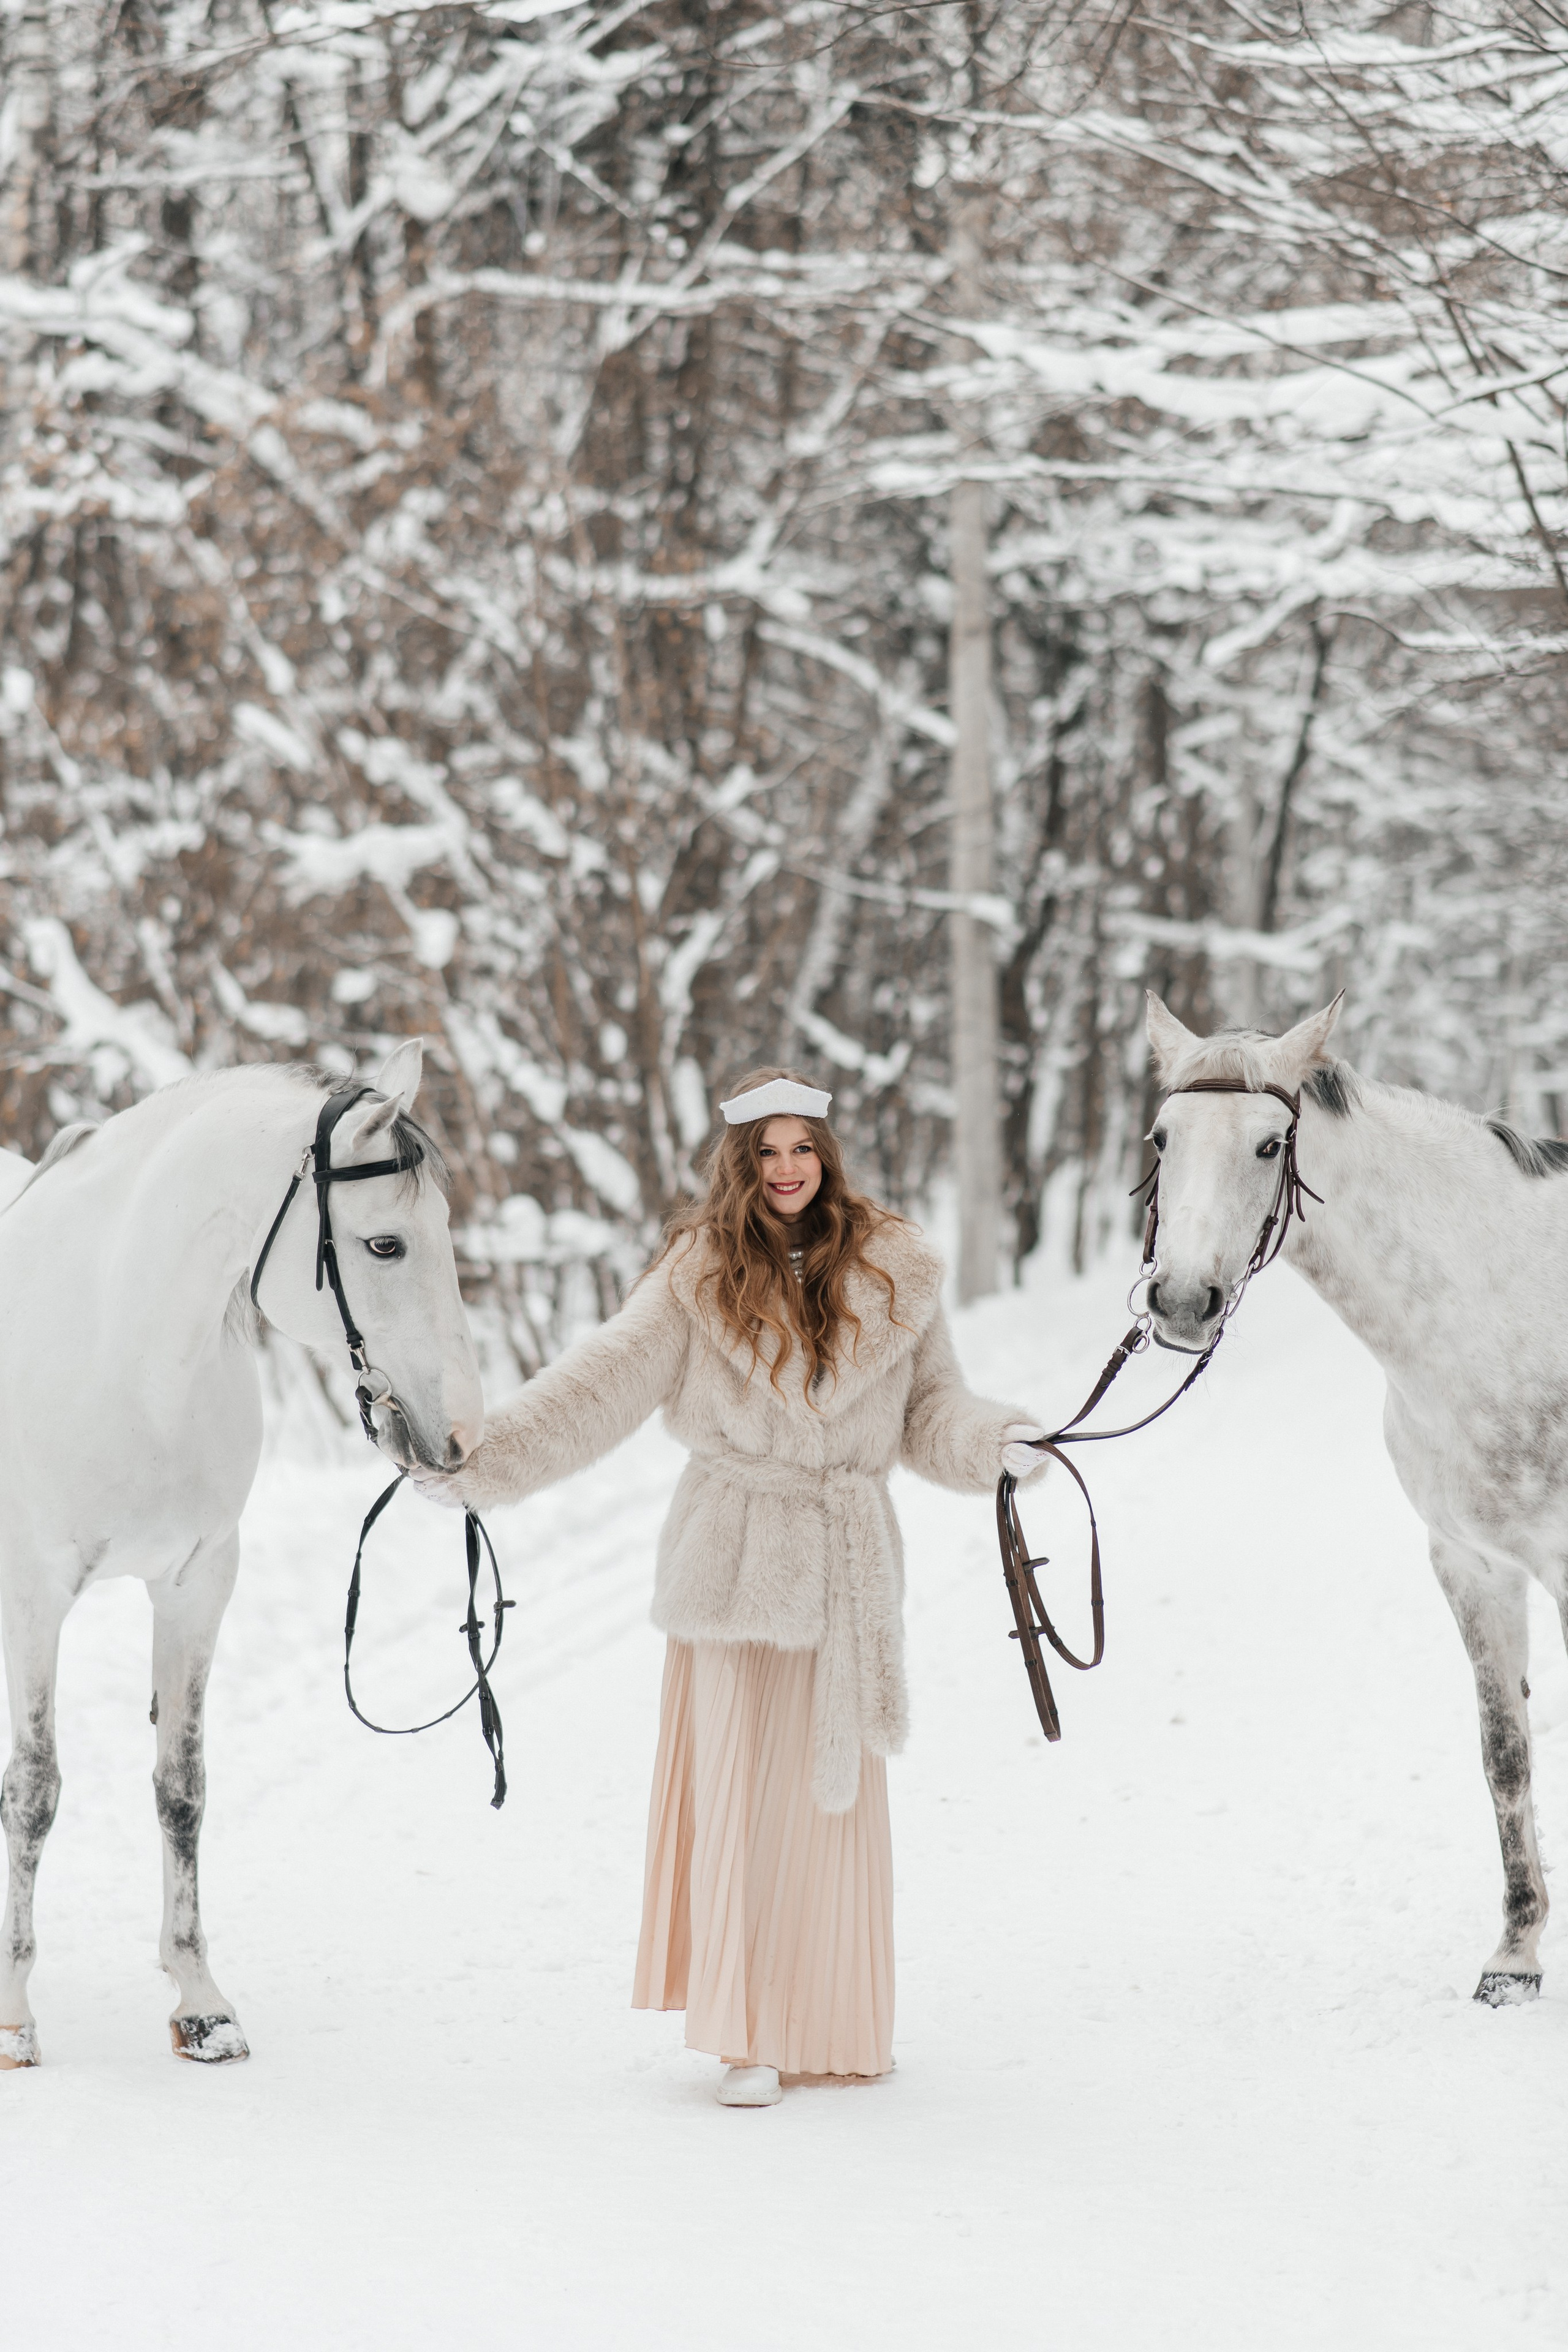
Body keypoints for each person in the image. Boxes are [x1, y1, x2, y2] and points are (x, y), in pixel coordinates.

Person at [423, 1069, 1046, 2106]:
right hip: (734, 1565)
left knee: (828, 1813)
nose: (787, 1169)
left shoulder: (899, 1270)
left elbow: (934, 1412)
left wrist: (1001, 1443)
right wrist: (484, 1462)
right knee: (743, 1809)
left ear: (829, 1154)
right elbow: (602, 1383)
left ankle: (837, 2022)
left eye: (803, 1148)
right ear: (739, 1163)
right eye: (766, 1151)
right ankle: (745, 2034)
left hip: (845, 1577)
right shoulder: (698, 1273)